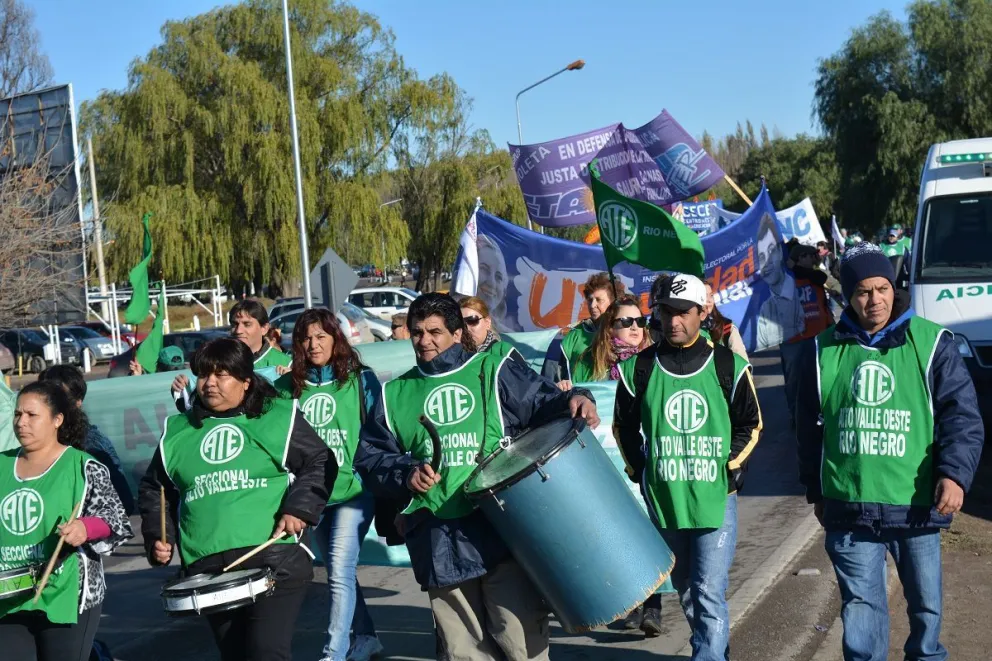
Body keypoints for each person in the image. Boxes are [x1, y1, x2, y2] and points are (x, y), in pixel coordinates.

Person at [354, 293, 599, 661]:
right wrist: (406, 474)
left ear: (456, 333)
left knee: (521, 645)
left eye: (435, 332)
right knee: (463, 652)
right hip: (439, 541)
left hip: (504, 529)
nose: (424, 341)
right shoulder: (394, 394)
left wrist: (576, 396)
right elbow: (371, 458)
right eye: (417, 332)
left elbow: (543, 402)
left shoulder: (494, 367)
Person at [796, 243, 984, 661]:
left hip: (915, 504)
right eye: (863, 291)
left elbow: (962, 417)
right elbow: (807, 430)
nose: (874, 299)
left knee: (926, 610)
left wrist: (954, 474)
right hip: (850, 506)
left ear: (892, 288)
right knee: (861, 614)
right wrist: (816, 491)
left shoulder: (932, 343)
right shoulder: (821, 350)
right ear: (848, 295)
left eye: (881, 288)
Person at [138, 337, 335, 661]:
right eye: (203, 375)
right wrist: (159, 537)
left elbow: (321, 462)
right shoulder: (177, 430)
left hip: (275, 558)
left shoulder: (278, 416)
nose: (210, 383)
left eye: (221, 374)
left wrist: (299, 508)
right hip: (210, 567)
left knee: (265, 652)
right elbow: (155, 489)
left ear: (246, 381)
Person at [615, 273, 762, 659]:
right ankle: (713, 649)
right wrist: (640, 472)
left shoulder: (728, 364)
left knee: (709, 589)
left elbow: (751, 424)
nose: (674, 321)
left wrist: (728, 467)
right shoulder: (638, 369)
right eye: (667, 312)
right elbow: (624, 427)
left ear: (702, 313)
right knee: (686, 589)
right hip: (666, 499)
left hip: (715, 498)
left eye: (684, 313)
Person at [273, 309, 383, 661]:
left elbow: (378, 434)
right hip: (312, 495)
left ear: (337, 338)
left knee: (339, 569)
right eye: (306, 337)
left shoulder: (361, 380)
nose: (313, 344)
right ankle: (366, 637)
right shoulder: (287, 386)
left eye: (321, 336)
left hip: (354, 491)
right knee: (341, 572)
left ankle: (332, 654)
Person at [0, 381, 132, 661]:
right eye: (17, 415)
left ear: (57, 420)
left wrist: (85, 528)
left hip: (67, 592)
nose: (21, 423)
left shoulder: (83, 465)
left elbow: (115, 518)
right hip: (9, 593)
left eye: (31, 415)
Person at [37, 364, 135, 515]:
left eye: (59, 398)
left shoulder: (94, 446)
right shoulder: (30, 442)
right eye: (45, 398)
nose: (50, 405)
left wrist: (85, 528)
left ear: (78, 401)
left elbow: (121, 505)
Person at [172, 300, 291, 410]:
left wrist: (293, 381)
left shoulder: (287, 363)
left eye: (247, 324)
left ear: (264, 328)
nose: (238, 330)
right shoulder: (216, 359)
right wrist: (182, 391)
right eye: (235, 324)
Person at [780, 244, 835, 430]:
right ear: (796, 258)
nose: (810, 259)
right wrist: (791, 269)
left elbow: (821, 278)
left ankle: (821, 414)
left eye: (812, 256)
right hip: (793, 339)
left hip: (818, 336)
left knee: (820, 378)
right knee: (794, 382)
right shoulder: (786, 279)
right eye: (805, 256)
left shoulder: (815, 277)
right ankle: (796, 417)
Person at [565, 294, 650, 385]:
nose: (635, 327)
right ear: (610, 327)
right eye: (627, 321)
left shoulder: (652, 359)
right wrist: (566, 388)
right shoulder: (589, 360)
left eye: (640, 321)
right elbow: (577, 392)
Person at [555, 272, 624, 385]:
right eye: (590, 300)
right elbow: (559, 376)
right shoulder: (574, 335)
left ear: (613, 302)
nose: (592, 305)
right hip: (580, 399)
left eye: (599, 300)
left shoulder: (625, 331)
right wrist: (561, 385)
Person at [459, 296, 526, 365]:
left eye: (472, 320)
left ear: (487, 322)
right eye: (460, 323)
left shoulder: (503, 352)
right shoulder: (454, 355)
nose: (466, 328)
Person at [701, 282, 748, 361]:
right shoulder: (685, 328)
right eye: (704, 296)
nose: (709, 300)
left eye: (711, 295)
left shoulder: (727, 327)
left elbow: (742, 363)